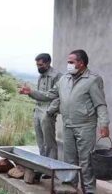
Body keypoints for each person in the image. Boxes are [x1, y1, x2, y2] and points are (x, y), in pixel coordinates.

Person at [20, 49, 110, 194]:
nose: (68, 65)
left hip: (85, 126)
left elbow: (100, 104)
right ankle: (70, 186)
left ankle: (89, 189)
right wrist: (31, 92)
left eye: (71, 62)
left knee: (86, 161)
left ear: (81, 63)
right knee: (69, 159)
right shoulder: (64, 79)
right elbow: (50, 95)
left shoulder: (93, 79)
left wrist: (104, 124)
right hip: (68, 125)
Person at [31, 53, 62, 161]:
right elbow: (40, 94)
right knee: (40, 141)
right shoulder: (41, 75)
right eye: (37, 65)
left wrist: (50, 111)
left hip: (48, 112)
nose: (38, 67)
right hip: (38, 110)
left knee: (49, 142)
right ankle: (43, 165)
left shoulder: (57, 76)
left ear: (48, 63)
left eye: (40, 65)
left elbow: (58, 96)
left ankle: (51, 168)